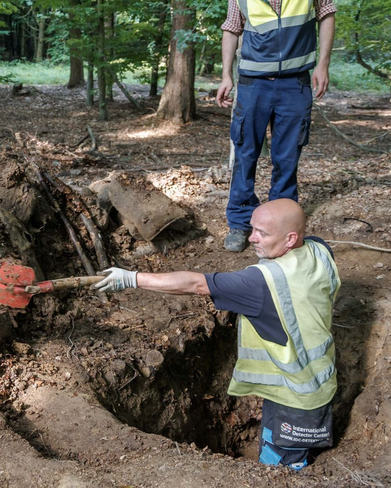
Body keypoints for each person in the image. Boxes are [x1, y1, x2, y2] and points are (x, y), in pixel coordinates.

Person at [95, 199, 341, 469]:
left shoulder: (261, 282)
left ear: (291, 238)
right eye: (252, 229)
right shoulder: (319, 250)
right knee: (276, 444)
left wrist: (131, 278)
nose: (252, 238)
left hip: (298, 399)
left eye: (263, 233)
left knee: (282, 466)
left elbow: (196, 284)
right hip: (313, 381)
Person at [217, 0, 337, 252]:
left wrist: (323, 65)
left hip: (296, 83)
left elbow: (326, 12)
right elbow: (231, 26)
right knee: (246, 154)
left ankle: (280, 228)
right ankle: (241, 223)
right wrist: (227, 74)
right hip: (253, 84)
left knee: (287, 157)